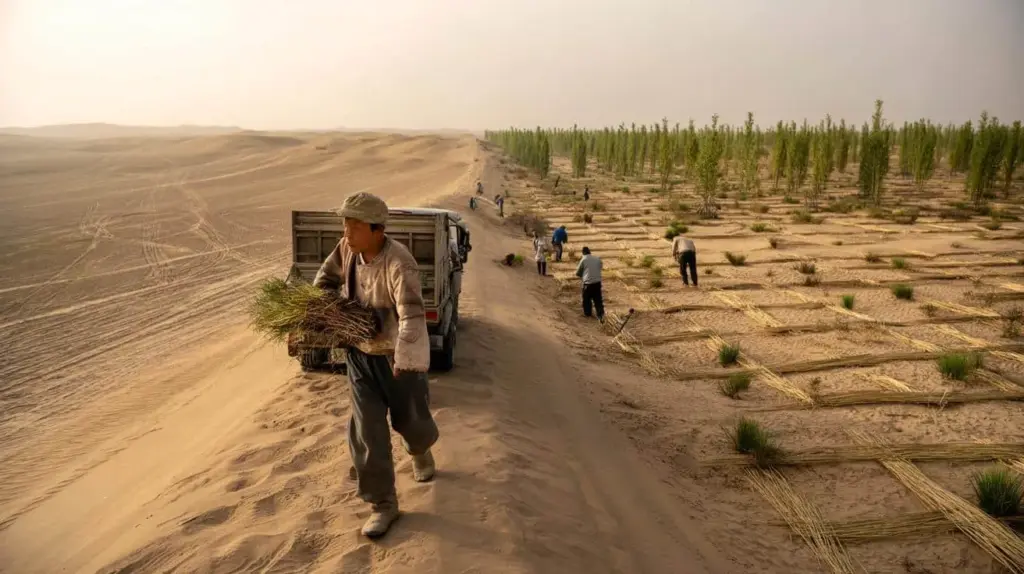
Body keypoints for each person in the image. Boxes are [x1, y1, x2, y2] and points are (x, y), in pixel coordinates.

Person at [312, 192, 439, 538]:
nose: (346, 231)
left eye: (353, 225)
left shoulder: (400, 262)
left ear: (377, 229)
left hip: (396, 358)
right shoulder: (345, 250)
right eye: (345, 223)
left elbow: (412, 315)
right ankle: (383, 504)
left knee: (412, 420)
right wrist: (327, 312)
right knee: (367, 432)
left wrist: (406, 359)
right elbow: (324, 282)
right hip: (360, 356)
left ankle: (419, 449)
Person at [575, 247, 604, 323]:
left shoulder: (584, 259)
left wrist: (583, 275)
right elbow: (600, 266)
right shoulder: (597, 258)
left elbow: (578, 272)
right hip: (597, 282)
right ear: (590, 252)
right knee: (598, 300)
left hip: (588, 283)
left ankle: (588, 314)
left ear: (583, 253)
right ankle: (600, 315)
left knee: (586, 299)